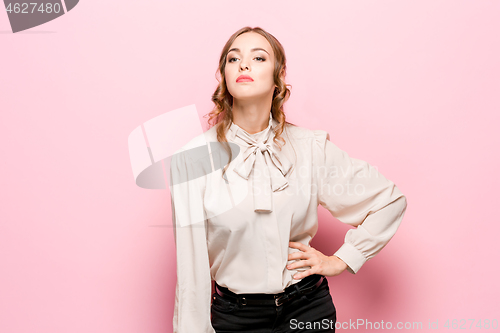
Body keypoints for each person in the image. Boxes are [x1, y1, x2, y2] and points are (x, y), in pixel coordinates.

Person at [169, 26, 408, 333]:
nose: (243, 65)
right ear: (224, 77)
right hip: (235, 318)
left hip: (307, 310)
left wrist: (342, 259)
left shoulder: (309, 148)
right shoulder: (192, 160)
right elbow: (191, 271)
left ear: (278, 76)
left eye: (258, 57)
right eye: (233, 59)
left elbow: (388, 201)